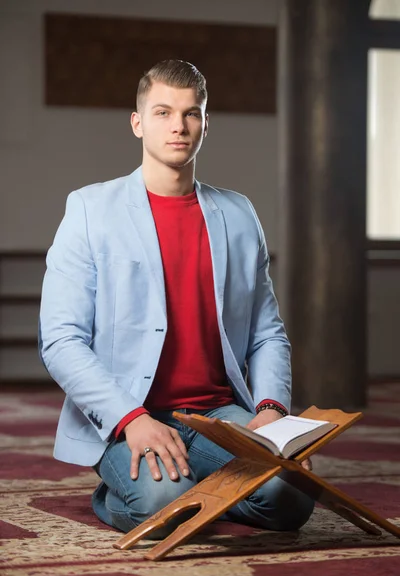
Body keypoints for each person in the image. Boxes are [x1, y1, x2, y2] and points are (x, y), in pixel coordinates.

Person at [39, 59, 314, 536]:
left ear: (206, 124)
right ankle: (143, 492)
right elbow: (61, 339)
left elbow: (267, 331)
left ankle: (202, 493)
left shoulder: (239, 213)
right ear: (138, 122)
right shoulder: (89, 209)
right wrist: (130, 418)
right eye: (163, 112)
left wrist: (269, 410)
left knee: (291, 500)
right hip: (131, 411)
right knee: (160, 502)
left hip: (216, 413)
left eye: (192, 114)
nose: (179, 126)